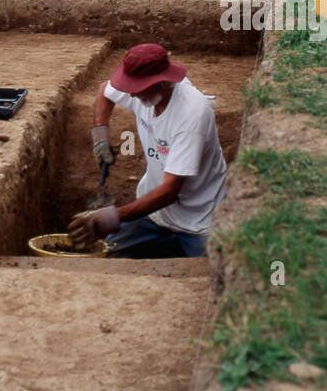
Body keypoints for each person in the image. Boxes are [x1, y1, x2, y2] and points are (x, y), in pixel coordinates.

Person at [67, 43, 227, 259]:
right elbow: (105, 90)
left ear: (162, 83)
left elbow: (170, 191)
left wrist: (111, 217)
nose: (132, 95)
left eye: (138, 88)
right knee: (106, 258)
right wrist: (100, 135)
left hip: (199, 221)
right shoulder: (145, 95)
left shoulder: (191, 115)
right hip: (154, 215)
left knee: (209, 277)